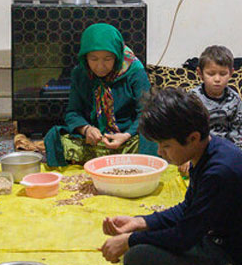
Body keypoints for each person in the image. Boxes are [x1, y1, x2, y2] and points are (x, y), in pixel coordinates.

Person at [100, 88, 242, 265]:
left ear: (193, 138)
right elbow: (188, 209)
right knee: (144, 244)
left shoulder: (219, 171)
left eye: (166, 146)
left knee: (137, 259)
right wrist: (140, 222)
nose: (160, 152)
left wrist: (129, 240)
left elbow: (184, 236)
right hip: (216, 241)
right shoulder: (206, 151)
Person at [42, 23, 157, 168]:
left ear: (117, 56)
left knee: (153, 137)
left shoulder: (134, 72)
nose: (100, 66)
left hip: (129, 139)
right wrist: (86, 129)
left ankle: (110, 159)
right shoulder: (80, 73)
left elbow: (146, 113)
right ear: (85, 57)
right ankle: (120, 160)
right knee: (55, 137)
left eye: (107, 59)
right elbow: (73, 112)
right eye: (93, 59)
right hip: (95, 141)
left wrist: (126, 135)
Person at [189, 45, 242, 160]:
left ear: (231, 73)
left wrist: (227, 144)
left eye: (223, 74)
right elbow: (186, 127)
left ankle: (219, 157)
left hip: (226, 143)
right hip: (200, 144)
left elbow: (239, 126)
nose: (217, 79)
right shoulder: (193, 98)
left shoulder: (234, 99)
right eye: (211, 74)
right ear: (200, 73)